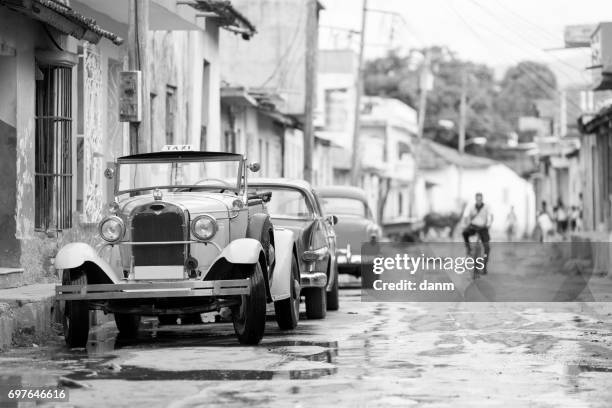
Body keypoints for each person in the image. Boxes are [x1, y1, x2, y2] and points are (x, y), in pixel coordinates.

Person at [462, 193, 493, 272]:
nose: (479, 201)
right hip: (473, 227)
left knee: (487, 247)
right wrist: (466, 223)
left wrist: (489, 224)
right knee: (465, 233)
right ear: (475, 199)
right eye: (477, 199)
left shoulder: (486, 207)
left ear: (482, 199)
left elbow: (490, 216)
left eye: (480, 199)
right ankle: (468, 248)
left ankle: (484, 266)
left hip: (483, 228)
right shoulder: (472, 207)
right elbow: (466, 216)